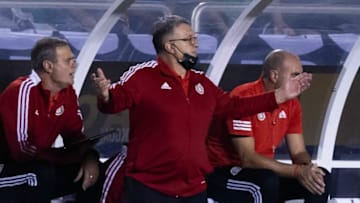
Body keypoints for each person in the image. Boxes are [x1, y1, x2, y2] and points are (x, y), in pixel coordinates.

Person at [91, 15, 312, 203]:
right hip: (149, 186)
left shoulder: (201, 83)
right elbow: (115, 102)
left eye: (195, 38)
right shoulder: (143, 75)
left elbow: (234, 107)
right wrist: (105, 95)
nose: (196, 44)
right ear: (170, 46)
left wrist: (281, 95)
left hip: (193, 187)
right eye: (189, 39)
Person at [206, 49, 331, 203]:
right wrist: (297, 171)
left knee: (322, 178)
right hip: (222, 173)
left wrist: (308, 170)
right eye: (295, 75)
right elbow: (248, 159)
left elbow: (298, 151)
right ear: (274, 75)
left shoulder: (292, 104)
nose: (300, 80)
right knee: (266, 181)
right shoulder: (244, 97)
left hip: (262, 172)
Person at [0, 37, 103, 203]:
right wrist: (65, 157)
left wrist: (89, 157)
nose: (74, 65)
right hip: (7, 171)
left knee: (95, 173)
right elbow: (22, 152)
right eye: (68, 61)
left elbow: (75, 136)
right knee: (40, 173)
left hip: (41, 166)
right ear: (48, 66)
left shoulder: (66, 92)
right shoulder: (22, 90)